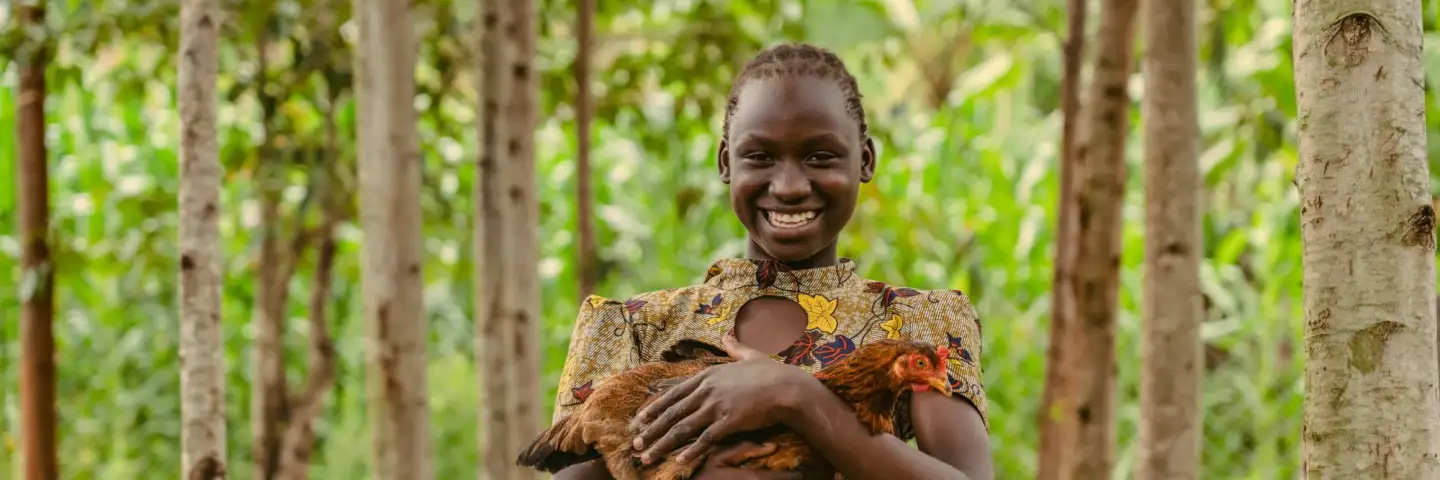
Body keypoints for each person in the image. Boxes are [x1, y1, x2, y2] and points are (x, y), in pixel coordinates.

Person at [549, 43, 993, 480]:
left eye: (820, 156)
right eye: (760, 156)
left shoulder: (920, 324)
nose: (789, 186)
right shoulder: (634, 326)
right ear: (727, 163)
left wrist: (797, 396)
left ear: (865, 159)